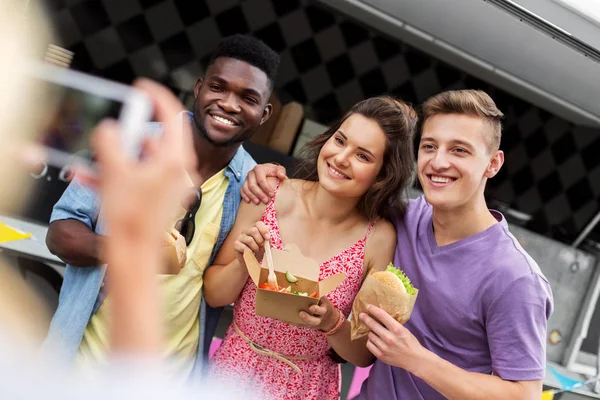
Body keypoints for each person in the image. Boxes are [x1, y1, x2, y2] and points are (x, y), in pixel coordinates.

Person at [241, 89, 554, 399]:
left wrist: (415, 359)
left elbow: (523, 395)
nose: (438, 162)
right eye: (430, 146)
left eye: (459, 150)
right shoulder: (405, 218)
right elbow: (339, 191)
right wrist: (265, 174)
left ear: (493, 163)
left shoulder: (515, 278)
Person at [44, 34, 280, 378]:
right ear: (198, 89)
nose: (229, 104)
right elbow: (60, 234)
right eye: (218, 87)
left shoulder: (252, 186)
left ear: (264, 114)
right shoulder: (133, 146)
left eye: (248, 98)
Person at [203, 96, 418, 399]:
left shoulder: (379, 238)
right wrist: (245, 262)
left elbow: (362, 354)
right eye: (340, 140)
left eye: (363, 156)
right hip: (231, 374)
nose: (341, 158)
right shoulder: (269, 193)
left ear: (382, 176)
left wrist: (332, 323)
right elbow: (214, 295)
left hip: (307, 387)